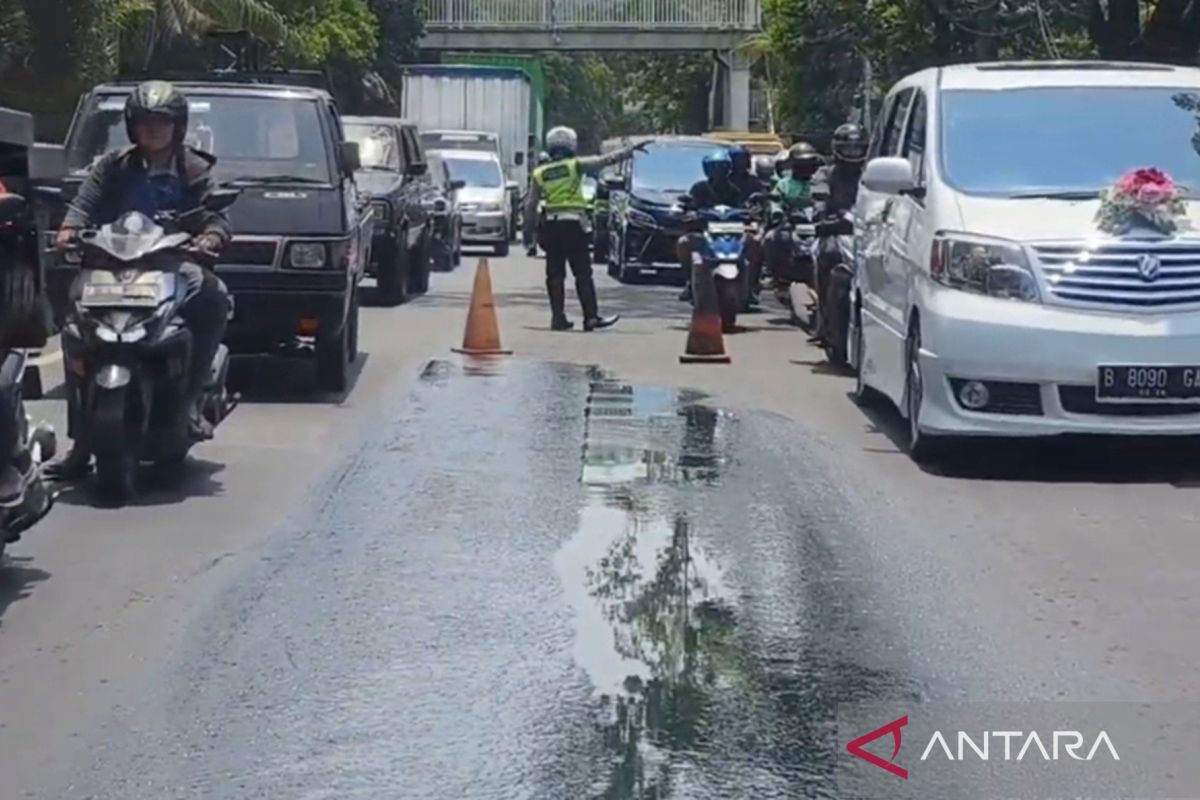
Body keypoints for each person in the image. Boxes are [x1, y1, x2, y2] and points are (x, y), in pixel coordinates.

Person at [48, 80, 232, 479]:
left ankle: (190, 402)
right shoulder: (113, 165)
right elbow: (83, 205)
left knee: (213, 295)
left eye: (162, 121)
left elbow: (215, 215)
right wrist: (68, 231)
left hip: (171, 262)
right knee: (75, 328)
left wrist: (211, 236)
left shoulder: (194, 168)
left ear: (177, 126)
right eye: (145, 121)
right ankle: (80, 442)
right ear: (132, 125)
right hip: (112, 261)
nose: (153, 129)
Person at [524, 127, 647, 331]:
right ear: (572, 145)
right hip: (574, 226)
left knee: (554, 274)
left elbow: (530, 205)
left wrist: (529, 232)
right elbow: (605, 160)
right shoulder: (576, 165)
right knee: (582, 273)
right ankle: (590, 317)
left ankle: (558, 318)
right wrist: (630, 150)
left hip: (552, 226)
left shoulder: (539, 173)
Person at [811, 123, 869, 344]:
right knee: (827, 254)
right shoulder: (825, 174)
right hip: (835, 231)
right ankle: (824, 317)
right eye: (848, 148)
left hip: (866, 233)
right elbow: (819, 198)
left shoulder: (869, 174)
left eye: (857, 148)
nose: (852, 153)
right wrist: (821, 215)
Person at [677, 150, 745, 302]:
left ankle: (750, 286)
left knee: (752, 245)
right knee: (684, 243)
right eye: (716, 168)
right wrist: (690, 213)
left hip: (730, 235)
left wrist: (749, 214)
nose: (720, 172)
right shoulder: (699, 188)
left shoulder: (734, 190)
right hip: (704, 232)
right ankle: (690, 282)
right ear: (708, 170)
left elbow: (742, 209)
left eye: (723, 168)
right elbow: (690, 206)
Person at [761, 141, 824, 293]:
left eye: (809, 163)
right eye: (802, 163)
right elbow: (774, 200)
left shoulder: (821, 183)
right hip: (791, 224)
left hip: (818, 224)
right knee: (770, 238)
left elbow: (829, 200)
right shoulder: (784, 184)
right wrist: (777, 213)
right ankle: (777, 275)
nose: (806, 167)